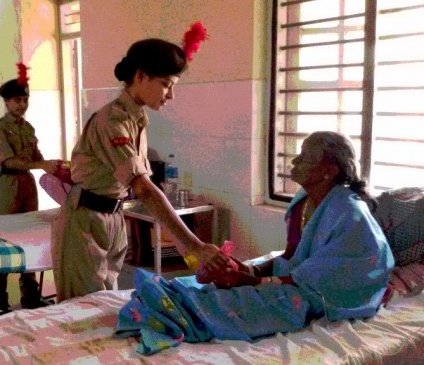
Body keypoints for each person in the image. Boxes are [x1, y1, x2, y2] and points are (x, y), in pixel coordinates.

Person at [115, 131, 395, 355]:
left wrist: (254, 282)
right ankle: (172, 301)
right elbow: (291, 256)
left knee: (264, 302)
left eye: (304, 157)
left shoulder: (349, 214)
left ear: (329, 170)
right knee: (208, 283)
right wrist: (251, 271)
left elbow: (321, 280)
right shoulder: (303, 202)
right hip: (302, 281)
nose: (295, 162)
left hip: (331, 295)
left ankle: (177, 314)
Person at [50, 38, 229, 303]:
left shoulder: (136, 120)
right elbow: (143, 188)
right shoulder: (113, 121)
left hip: (112, 217)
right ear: (142, 76)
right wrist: (194, 245)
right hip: (84, 221)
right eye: (166, 85)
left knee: (104, 305)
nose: (170, 95)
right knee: (82, 308)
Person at [0, 77, 59, 315]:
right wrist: (41, 164)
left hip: (26, 185)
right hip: (6, 186)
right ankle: (0, 299)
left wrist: (53, 165)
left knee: (29, 238)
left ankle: (30, 293)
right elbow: (8, 160)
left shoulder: (28, 128)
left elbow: (36, 155)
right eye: (17, 100)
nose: (22, 104)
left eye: (25, 99)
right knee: (2, 241)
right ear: (6, 102)